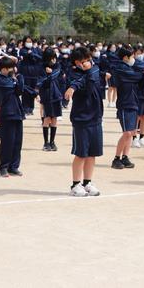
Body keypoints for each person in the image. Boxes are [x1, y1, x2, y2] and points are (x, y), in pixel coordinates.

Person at [64, 47, 103, 197]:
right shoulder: (73, 73)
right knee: (81, 153)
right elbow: (79, 81)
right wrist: (73, 86)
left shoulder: (94, 69)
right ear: (76, 62)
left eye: (88, 59)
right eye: (83, 61)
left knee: (92, 153)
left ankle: (87, 182)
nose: (87, 63)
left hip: (96, 117)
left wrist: (74, 85)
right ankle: (75, 184)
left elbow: (90, 76)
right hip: (81, 118)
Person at [110, 47, 144, 170]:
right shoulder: (120, 68)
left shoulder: (132, 68)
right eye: (132, 56)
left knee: (131, 132)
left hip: (134, 103)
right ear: (125, 57)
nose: (134, 59)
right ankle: (116, 158)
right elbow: (134, 76)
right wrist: (142, 74)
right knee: (127, 133)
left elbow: (140, 82)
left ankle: (125, 157)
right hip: (124, 105)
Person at [0, 57, 25, 177]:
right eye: (10, 68)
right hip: (7, 114)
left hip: (17, 113)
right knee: (7, 142)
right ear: (3, 69)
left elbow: (20, 90)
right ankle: (3, 167)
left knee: (17, 142)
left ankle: (14, 166)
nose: (12, 70)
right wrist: (17, 79)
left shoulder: (12, 79)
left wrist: (18, 78)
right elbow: (11, 88)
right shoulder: (0, 81)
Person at [37, 48, 63, 152]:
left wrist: (50, 74)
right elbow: (41, 82)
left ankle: (52, 142)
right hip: (46, 95)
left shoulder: (57, 66)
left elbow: (56, 75)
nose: (54, 60)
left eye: (54, 58)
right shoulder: (41, 67)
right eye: (52, 58)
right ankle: (46, 142)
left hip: (56, 95)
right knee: (47, 118)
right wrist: (48, 75)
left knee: (55, 119)